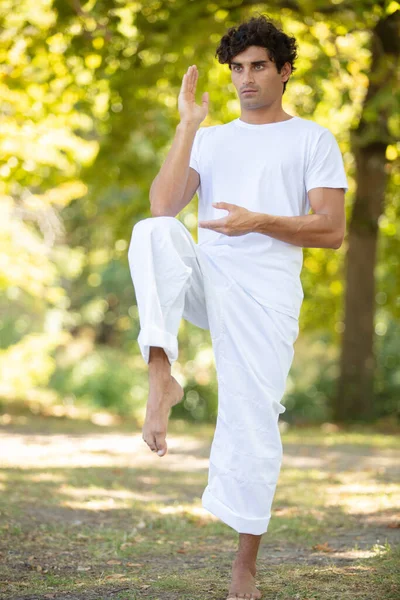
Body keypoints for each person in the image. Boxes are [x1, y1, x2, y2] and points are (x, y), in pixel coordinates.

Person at [128, 14, 348, 600]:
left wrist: (262, 222)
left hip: (265, 297)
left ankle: (243, 569)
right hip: (208, 277)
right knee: (150, 233)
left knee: (252, 422)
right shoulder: (212, 137)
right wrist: (188, 125)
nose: (246, 79)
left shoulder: (312, 139)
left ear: (284, 71)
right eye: (237, 69)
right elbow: (163, 206)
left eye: (257, 67)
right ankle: (160, 377)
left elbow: (331, 230)